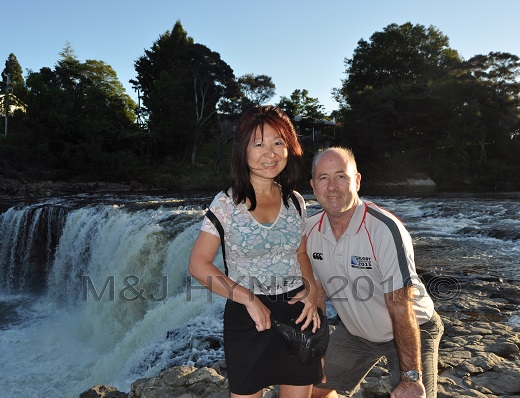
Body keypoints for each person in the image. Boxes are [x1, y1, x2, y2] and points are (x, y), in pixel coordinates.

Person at [189, 106, 323, 398]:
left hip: (298, 314)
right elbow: (198, 265)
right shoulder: (225, 203)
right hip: (247, 317)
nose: (270, 153)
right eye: (259, 143)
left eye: (278, 143)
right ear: (243, 150)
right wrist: (248, 299)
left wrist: (312, 290)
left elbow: (301, 254)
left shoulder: (295, 201)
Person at [305, 147, 444, 398]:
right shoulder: (309, 231)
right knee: (311, 389)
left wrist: (411, 378)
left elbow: (400, 306)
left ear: (357, 181)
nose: (332, 186)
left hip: (412, 326)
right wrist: (314, 350)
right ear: (313, 186)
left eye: (341, 176)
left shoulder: (384, 229)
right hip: (356, 332)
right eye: (324, 178)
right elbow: (317, 295)